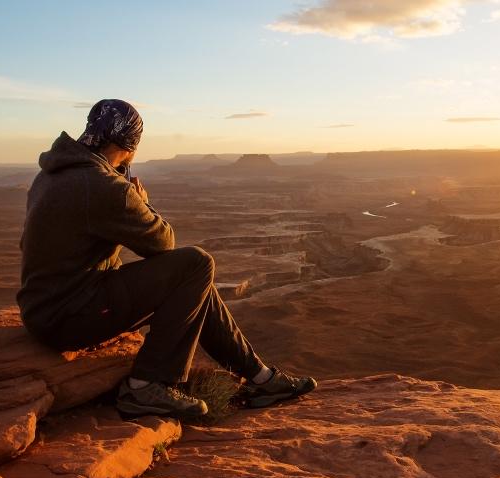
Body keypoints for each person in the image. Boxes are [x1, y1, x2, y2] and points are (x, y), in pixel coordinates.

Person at [18, 99, 316, 420]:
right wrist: (140, 201)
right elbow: (162, 243)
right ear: (131, 144)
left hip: (45, 308)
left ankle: (260, 377)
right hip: (69, 317)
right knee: (196, 264)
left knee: (193, 278)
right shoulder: (102, 186)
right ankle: (146, 385)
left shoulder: (51, 175)